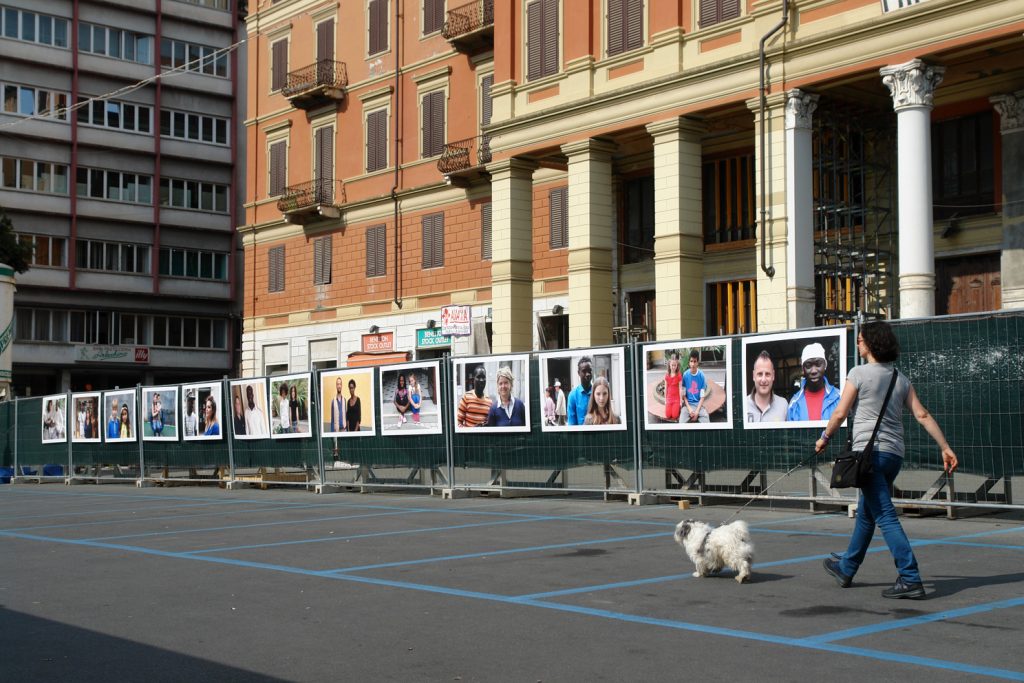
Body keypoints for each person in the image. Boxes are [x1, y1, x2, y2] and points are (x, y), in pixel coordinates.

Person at [816, 321, 958, 600]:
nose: (858, 344)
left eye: (860, 340)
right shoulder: (900, 379)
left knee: (885, 516)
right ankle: (847, 567)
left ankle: (910, 577)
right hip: (893, 455)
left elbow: (840, 413)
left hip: (869, 456)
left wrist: (825, 437)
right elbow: (922, 415)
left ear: (871, 343)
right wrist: (945, 447)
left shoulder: (858, 373)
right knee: (867, 514)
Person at [788, 342, 840, 422]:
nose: (814, 371)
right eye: (808, 366)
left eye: (818, 364)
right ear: (803, 369)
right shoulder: (794, 403)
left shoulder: (838, 397)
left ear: (825, 365)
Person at [744, 350, 788, 423]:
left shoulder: (783, 405)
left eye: (767, 374)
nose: (763, 380)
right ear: (753, 376)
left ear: (773, 376)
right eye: (760, 374)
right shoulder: (743, 405)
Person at [683, 350, 709, 423]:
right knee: (681, 423)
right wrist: (689, 409)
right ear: (689, 362)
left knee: (706, 421)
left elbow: (702, 396)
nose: (693, 364)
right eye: (691, 361)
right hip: (687, 405)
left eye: (695, 361)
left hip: (699, 405)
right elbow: (684, 395)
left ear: (697, 363)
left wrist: (697, 411)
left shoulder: (702, 376)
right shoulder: (685, 375)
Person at [567, 357, 594, 426]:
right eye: (584, 371)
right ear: (578, 373)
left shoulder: (597, 392)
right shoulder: (573, 395)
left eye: (589, 370)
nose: (588, 374)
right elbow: (572, 424)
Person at [663, 352, 683, 423]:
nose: (673, 367)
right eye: (672, 365)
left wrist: (680, 401)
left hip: (676, 399)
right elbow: (666, 388)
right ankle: (671, 408)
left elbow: (680, 388)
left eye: (675, 365)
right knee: (668, 415)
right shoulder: (667, 375)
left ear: (677, 365)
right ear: (669, 365)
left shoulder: (679, 375)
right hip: (669, 398)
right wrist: (665, 400)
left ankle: (677, 408)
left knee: (674, 416)